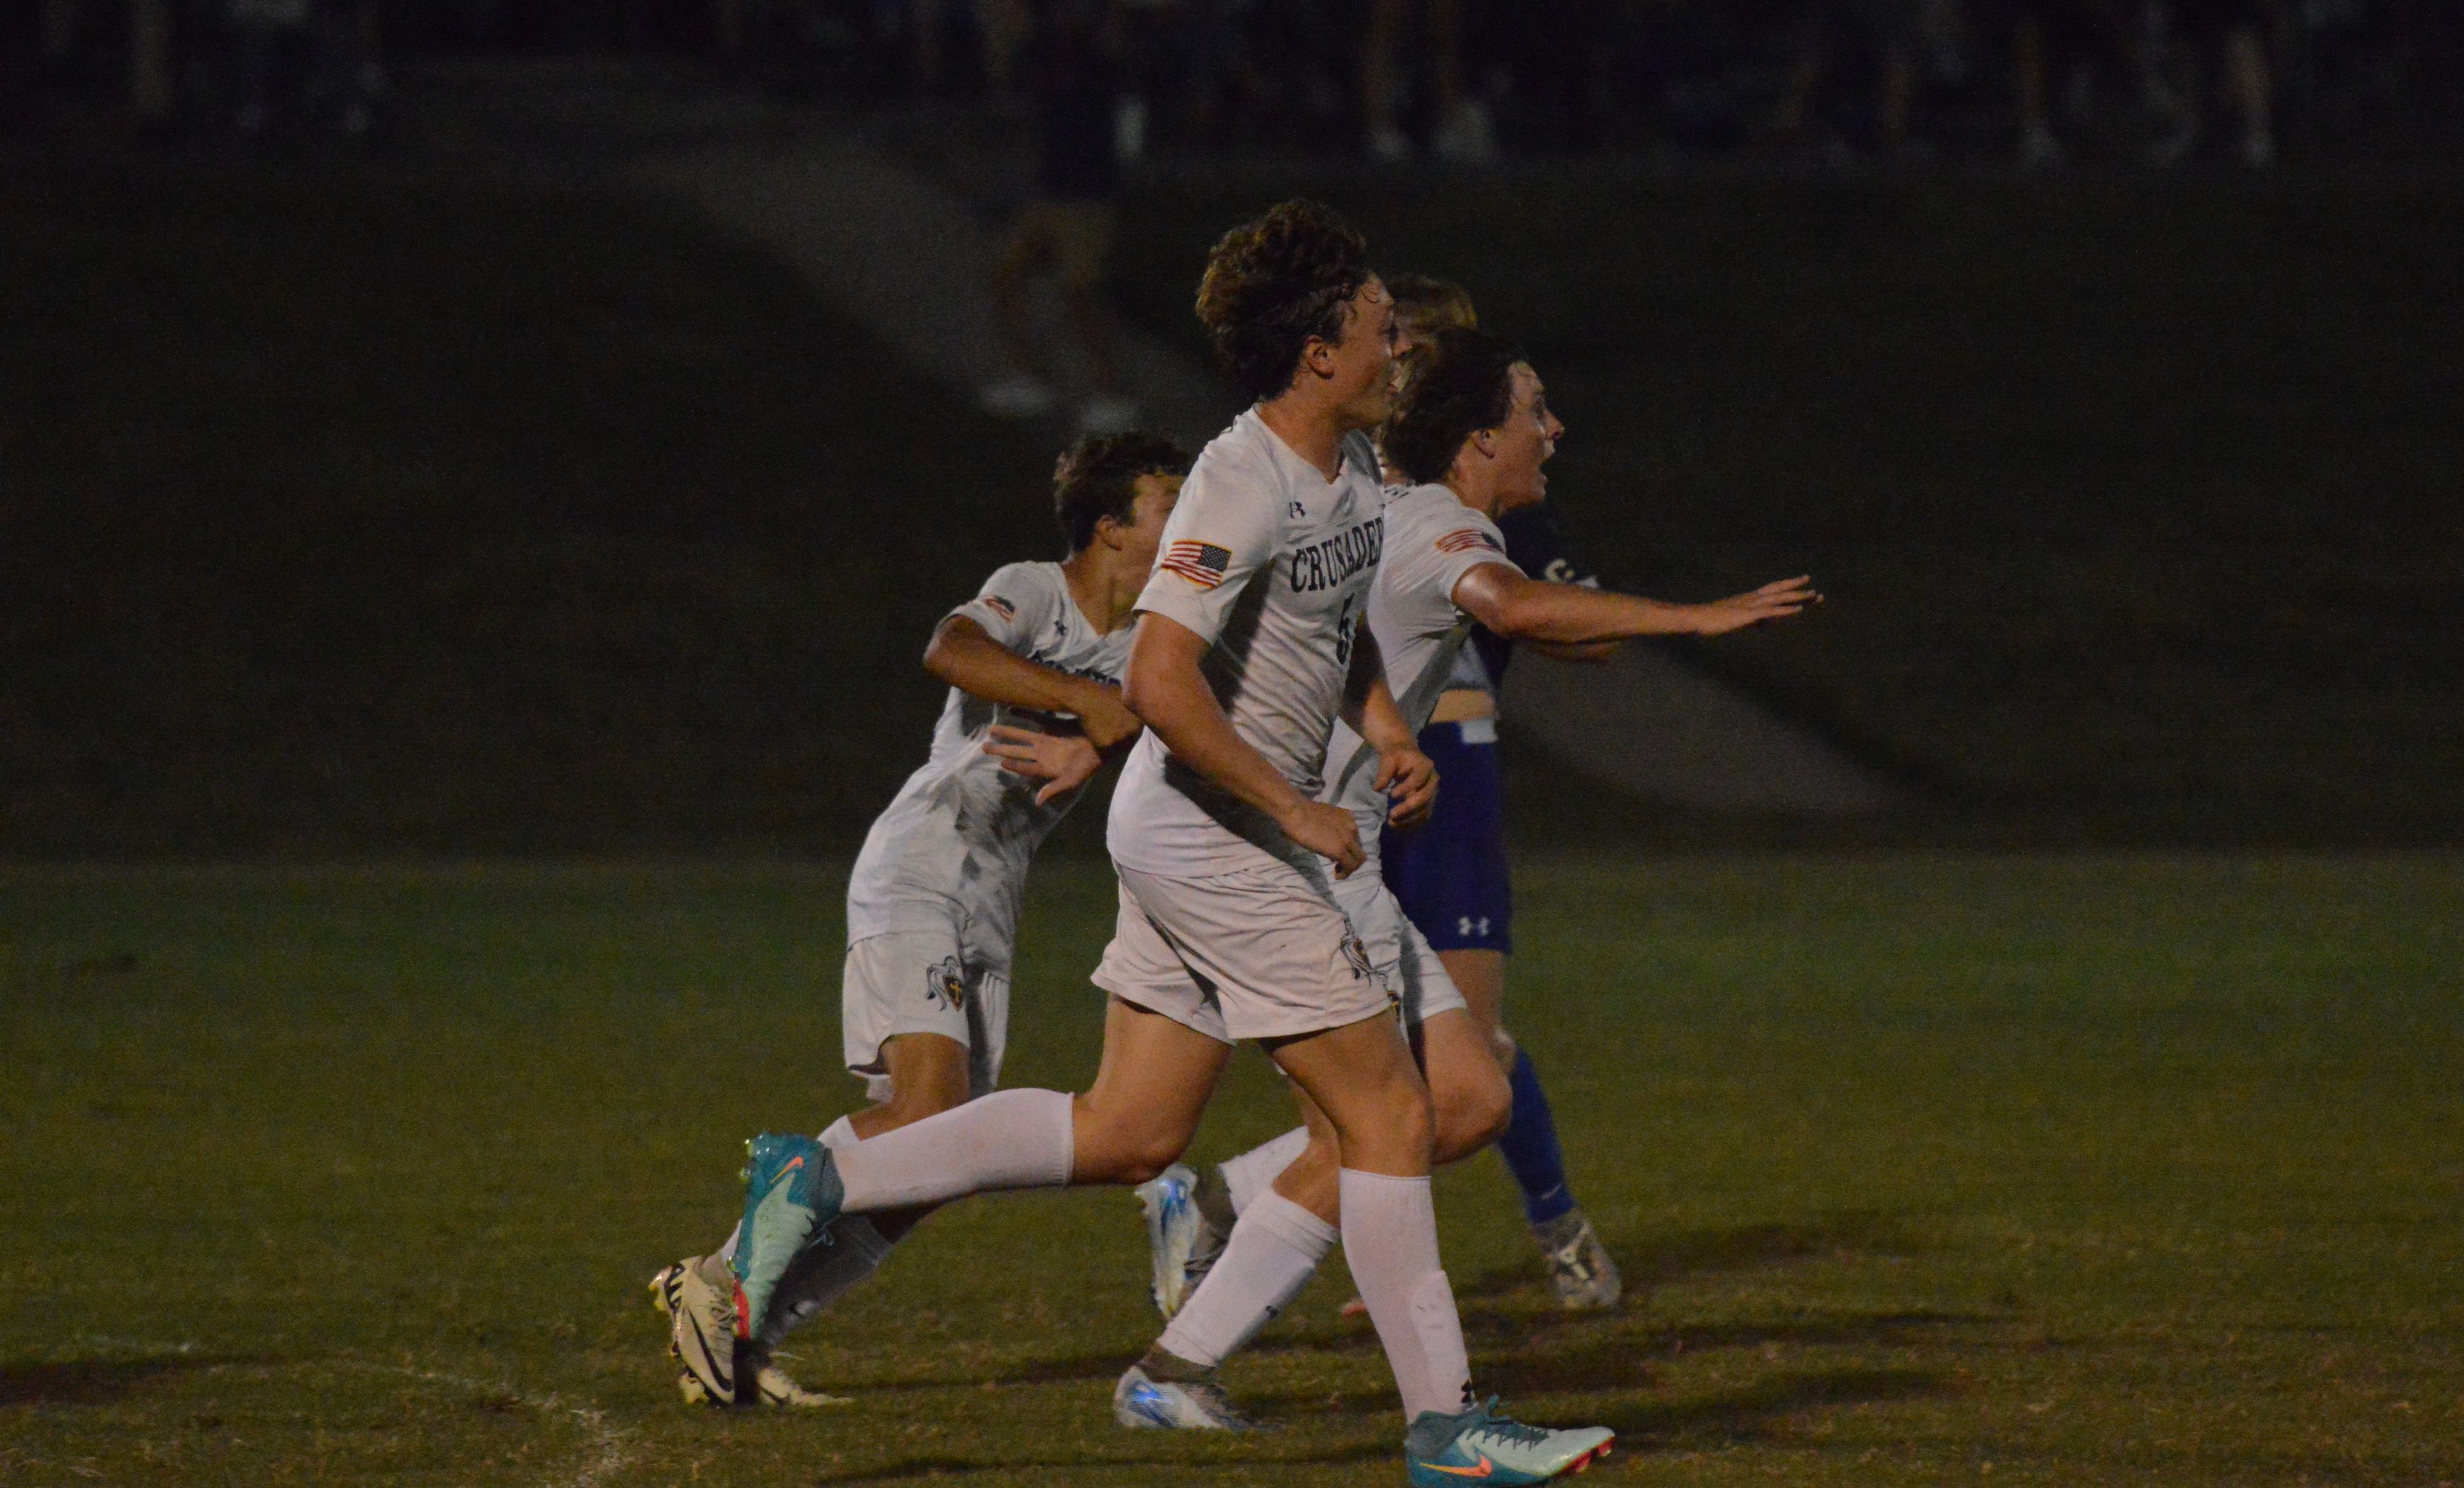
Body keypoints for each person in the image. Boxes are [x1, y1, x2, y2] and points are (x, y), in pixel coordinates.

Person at [676, 198, 1616, 1484]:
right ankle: (1445, 1427)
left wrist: (1386, 725)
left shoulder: (1340, 468)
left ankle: (830, 1177)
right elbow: (1167, 678)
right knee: (1398, 1108)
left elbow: (1321, 637)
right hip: (1224, 837)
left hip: (1218, 833)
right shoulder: (1237, 477)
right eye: (1375, 323)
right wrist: (1289, 805)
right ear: (1316, 354)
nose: (1398, 340)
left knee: (1133, 1130)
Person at [1114, 329, 1815, 1429]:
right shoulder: (1444, 520)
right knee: (1380, 1118)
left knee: (1463, 1095)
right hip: (1286, 850)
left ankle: (1189, 1338)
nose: (1554, 428)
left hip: (1306, 836)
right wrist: (1698, 615)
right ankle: (1417, 1412)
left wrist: (1386, 731)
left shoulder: (1380, 507)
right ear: (1483, 436)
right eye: (1536, 407)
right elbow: (1518, 608)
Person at [651, 431, 1186, 1406]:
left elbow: (1168, 713)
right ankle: (722, 1276)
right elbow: (950, 647)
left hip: (992, 897)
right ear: (1110, 527)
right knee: (929, 1113)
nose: (1184, 517)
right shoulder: (1035, 587)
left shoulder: (1155, 638)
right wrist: (1079, 699)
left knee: (931, 1163)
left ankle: (747, 1327)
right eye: (1166, 502)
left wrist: (1112, 726)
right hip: (922, 863)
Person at [980, 0, 1140, 435]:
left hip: (1086, 198)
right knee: (1007, 277)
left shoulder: (1100, 58)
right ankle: (1032, 376)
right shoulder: (1047, 51)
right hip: (1050, 195)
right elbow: (1008, 64)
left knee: (1081, 296)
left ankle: (1113, 392)